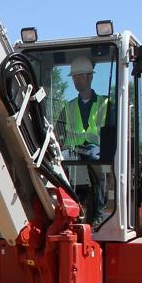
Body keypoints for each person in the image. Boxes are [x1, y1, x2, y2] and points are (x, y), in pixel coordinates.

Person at [58, 55, 111, 218]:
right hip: (72, 150)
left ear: (90, 77)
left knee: (98, 162)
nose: (76, 81)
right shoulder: (69, 106)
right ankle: (67, 208)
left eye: (80, 76)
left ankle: (99, 211)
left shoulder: (105, 103)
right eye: (74, 77)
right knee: (58, 165)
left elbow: (108, 133)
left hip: (94, 148)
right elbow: (59, 133)